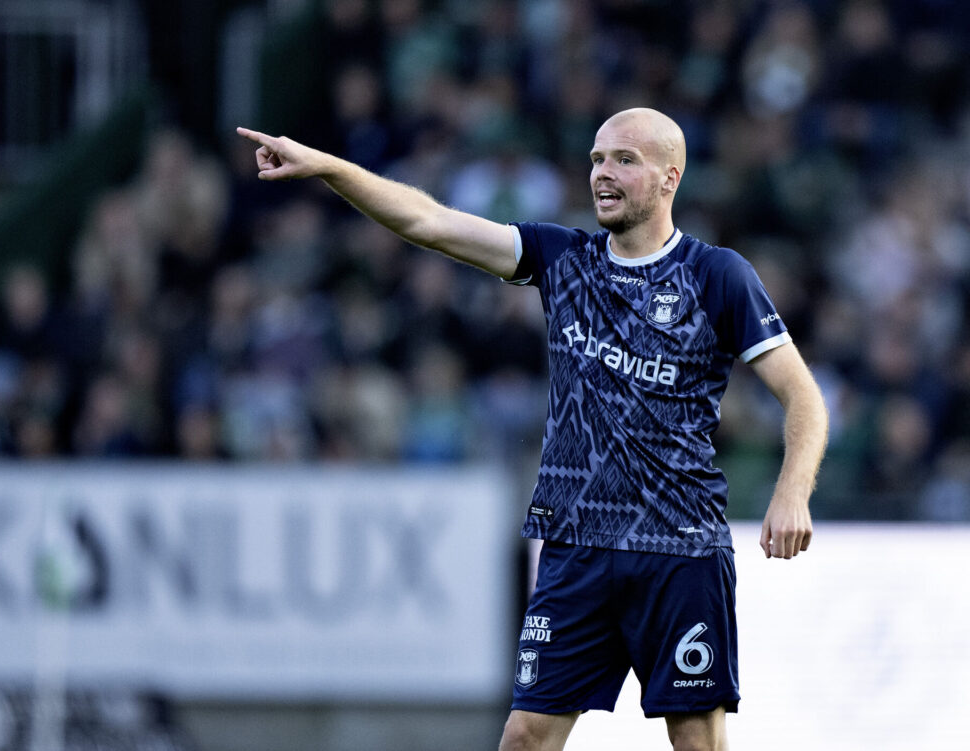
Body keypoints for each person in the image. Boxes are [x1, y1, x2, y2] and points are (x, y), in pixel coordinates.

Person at [237, 107, 829, 751]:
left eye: (625, 160)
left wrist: (792, 490)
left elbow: (803, 397)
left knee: (695, 742)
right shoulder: (562, 258)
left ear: (669, 179)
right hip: (575, 544)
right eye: (598, 158)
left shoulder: (717, 275)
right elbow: (427, 222)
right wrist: (327, 166)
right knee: (523, 738)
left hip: (679, 546)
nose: (603, 173)